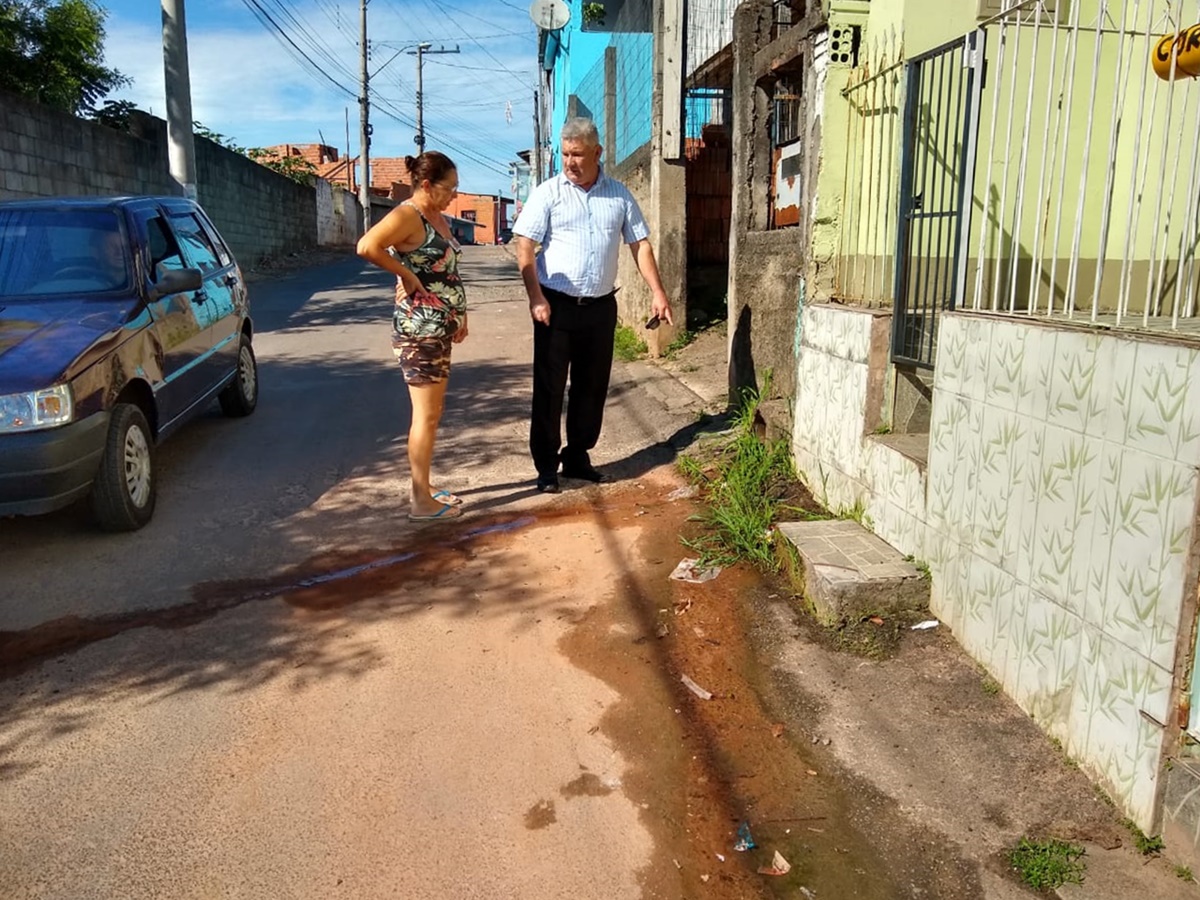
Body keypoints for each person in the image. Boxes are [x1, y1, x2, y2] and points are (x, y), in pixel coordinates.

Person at [512, 117, 673, 494]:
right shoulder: (548, 193)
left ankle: (578, 456)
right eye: (566, 154)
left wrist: (658, 292)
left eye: (578, 154)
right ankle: (547, 466)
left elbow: (640, 244)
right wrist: (535, 296)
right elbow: (524, 245)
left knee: (592, 385)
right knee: (550, 387)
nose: (570, 161)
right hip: (556, 305)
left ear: (597, 153)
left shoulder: (618, 195)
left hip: (600, 308)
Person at [357, 150, 469, 521]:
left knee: (432, 414)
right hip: (419, 330)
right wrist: (405, 275)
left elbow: (447, 272)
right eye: (448, 188)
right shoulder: (407, 215)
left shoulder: (436, 217)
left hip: (439, 326)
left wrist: (460, 314)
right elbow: (366, 246)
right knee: (425, 415)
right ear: (425, 185)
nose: (453, 194)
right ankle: (421, 502)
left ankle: (424, 487)